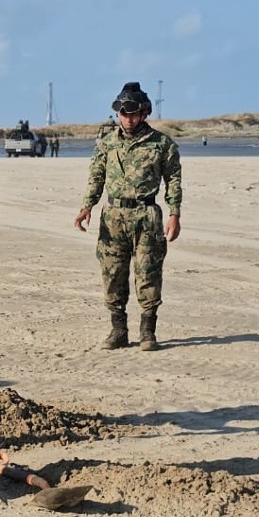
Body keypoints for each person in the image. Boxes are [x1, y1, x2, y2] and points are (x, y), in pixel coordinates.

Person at [74, 81, 181, 352]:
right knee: (112, 274)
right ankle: (118, 330)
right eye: (123, 114)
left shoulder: (161, 144)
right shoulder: (107, 144)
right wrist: (86, 206)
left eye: (133, 114)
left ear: (144, 113)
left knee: (148, 274)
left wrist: (174, 214)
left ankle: (148, 332)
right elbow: (96, 177)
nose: (128, 119)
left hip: (147, 215)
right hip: (113, 216)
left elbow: (174, 180)